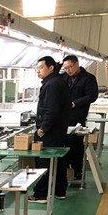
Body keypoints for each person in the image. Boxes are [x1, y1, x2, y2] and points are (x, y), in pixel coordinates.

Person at [29, 56, 71, 202]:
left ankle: (41, 194)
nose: (38, 71)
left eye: (41, 68)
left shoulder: (51, 84)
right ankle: (60, 191)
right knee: (57, 161)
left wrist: (43, 129)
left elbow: (51, 110)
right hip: (59, 130)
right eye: (37, 68)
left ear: (51, 68)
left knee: (44, 161)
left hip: (50, 131)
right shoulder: (58, 82)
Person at [61, 54, 98, 181]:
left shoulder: (88, 78)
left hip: (78, 116)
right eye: (65, 68)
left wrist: (75, 103)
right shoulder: (63, 78)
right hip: (63, 116)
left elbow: (92, 96)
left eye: (70, 67)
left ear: (77, 64)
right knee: (64, 143)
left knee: (76, 144)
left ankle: (77, 171)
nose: (68, 70)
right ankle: (66, 171)